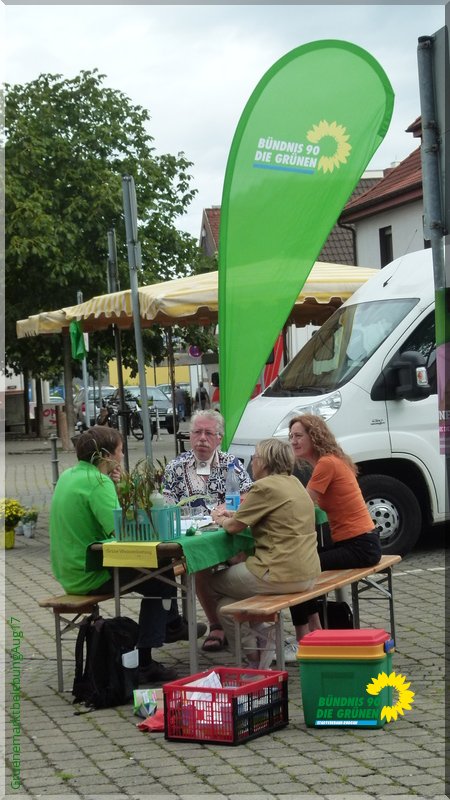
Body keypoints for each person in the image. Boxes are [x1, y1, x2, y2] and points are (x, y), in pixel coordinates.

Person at [49, 426, 205, 685]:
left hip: (68, 569)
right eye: (120, 451)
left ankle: (172, 624)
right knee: (161, 576)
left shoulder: (69, 475)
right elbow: (123, 529)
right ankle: (147, 659)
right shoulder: (98, 483)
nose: (122, 456)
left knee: (162, 572)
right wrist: (121, 486)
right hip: (89, 573)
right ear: (107, 456)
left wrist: (115, 485)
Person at [209, 438, 321, 666]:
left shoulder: (264, 487)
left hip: (280, 574)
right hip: (308, 573)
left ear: (267, 462)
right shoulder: (294, 482)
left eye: (256, 457)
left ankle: (256, 652)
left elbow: (233, 527)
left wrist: (219, 517)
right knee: (225, 608)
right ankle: (259, 654)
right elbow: (253, 516)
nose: (252, 462)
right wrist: (234, 516)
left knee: (210, 581)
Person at [163, 409, 253, 651]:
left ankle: (247, 619)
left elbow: (248, 493)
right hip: (194, 535)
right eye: (197, 432)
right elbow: (166, 502)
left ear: (219, 438)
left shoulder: (231, 464)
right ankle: (216, 625)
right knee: (198, 565)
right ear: (190, 436)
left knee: (239, 559)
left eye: (208, 433)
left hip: (228, 532)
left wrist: (227, 506)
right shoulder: (176, 467)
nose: (202, 438)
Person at [288, 414, 381, 641]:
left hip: (360, 546)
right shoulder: (331, 460)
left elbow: (304, 503)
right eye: (290, 437)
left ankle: (309, 632)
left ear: (314, 436)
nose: (293, 441)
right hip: (361, 542)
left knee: (297, 568)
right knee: (300, 563)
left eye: (299, 435)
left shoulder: (326, 463)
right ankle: (314, 628)